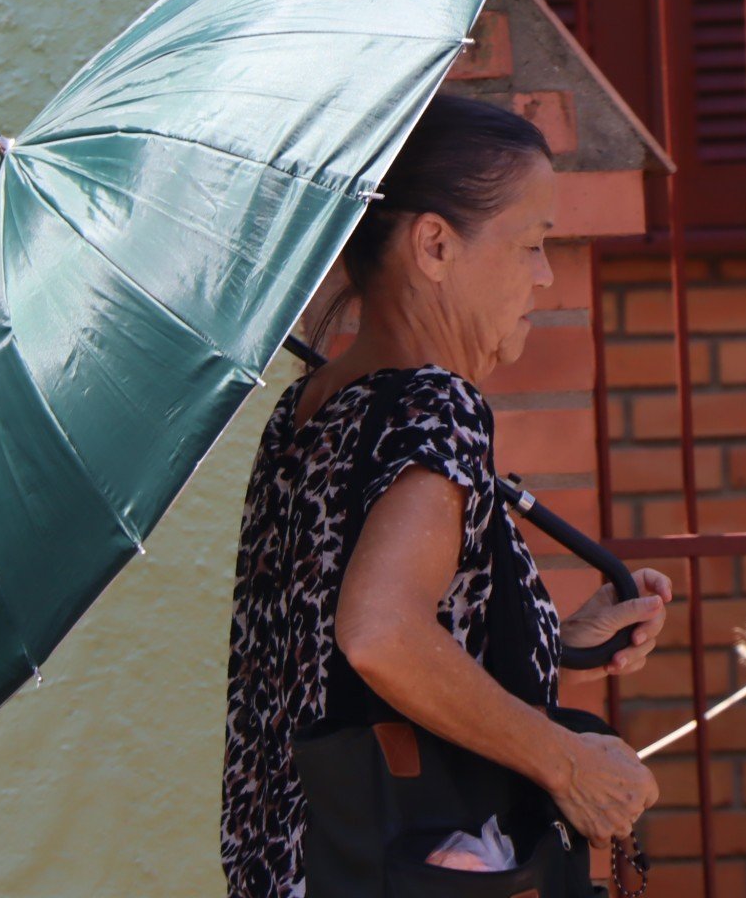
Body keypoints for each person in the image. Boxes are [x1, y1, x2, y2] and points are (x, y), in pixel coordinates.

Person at [220, 93, 671, 898]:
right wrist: (569, 766)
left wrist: (552, 640)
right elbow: (382, 636)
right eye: (533, 244)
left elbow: (337, 664)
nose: (544, 275)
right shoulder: (435, 404)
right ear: (434, 244)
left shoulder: (313, 408)